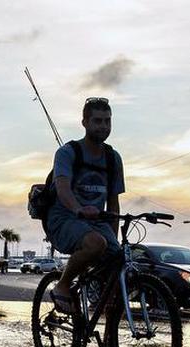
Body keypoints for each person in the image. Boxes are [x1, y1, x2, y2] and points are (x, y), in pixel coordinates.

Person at [46, 97, 124, 313]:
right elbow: (62, 188)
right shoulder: (67, 153)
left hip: (97, 224)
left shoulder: (113, 158)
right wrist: (78, 209)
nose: (104, 127)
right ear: (85, 123)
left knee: (118, 262)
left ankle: (110, 343)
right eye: (98, 121)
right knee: (95, 243)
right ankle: (62, 285)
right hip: (64, 219)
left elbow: (113, 204)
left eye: (107, 121)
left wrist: (113, 240)